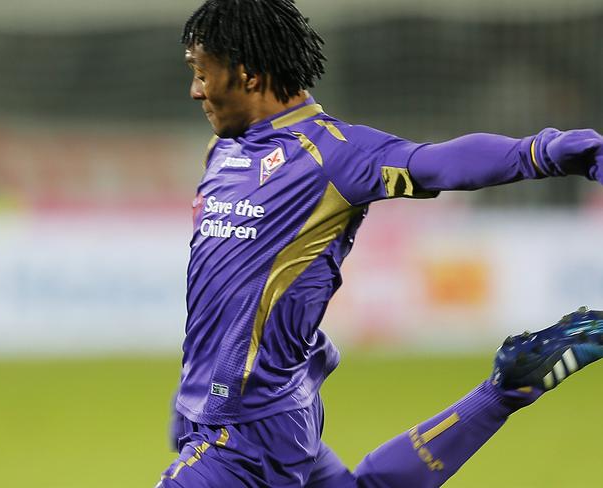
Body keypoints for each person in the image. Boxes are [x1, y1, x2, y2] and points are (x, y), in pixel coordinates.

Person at [157, 1, 603, 486]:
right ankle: (506, 390)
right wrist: (194, 392)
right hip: (249, 408)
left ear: (246, 74)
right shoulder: (222, 150)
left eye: (202, 72)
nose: (194, 89)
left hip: (244, 435)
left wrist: (551, 152)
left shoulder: (332, 154)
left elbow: (439, 163)